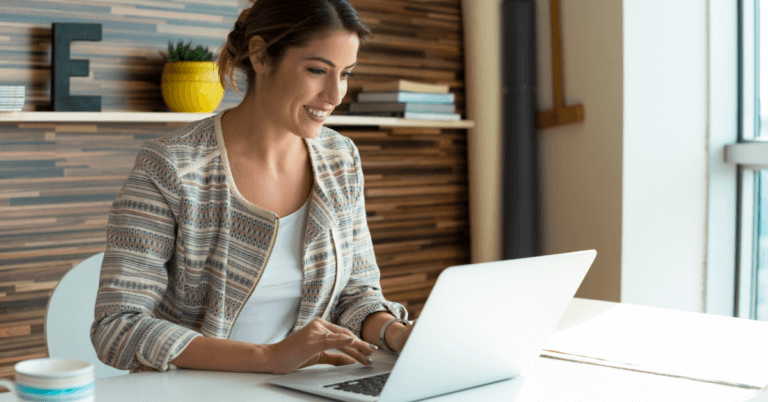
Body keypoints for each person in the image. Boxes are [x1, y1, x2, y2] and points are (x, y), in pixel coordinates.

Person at [91, 0, 415, 375]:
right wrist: (268, 358)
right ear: (260, 57)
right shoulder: (171, 167)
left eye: (345, 74)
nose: (334, 95)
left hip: (306, 388)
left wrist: (394, 333)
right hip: (194, 393)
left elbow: (356, 294)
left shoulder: (340, 159)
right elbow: (118, 325)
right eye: (316, 70)